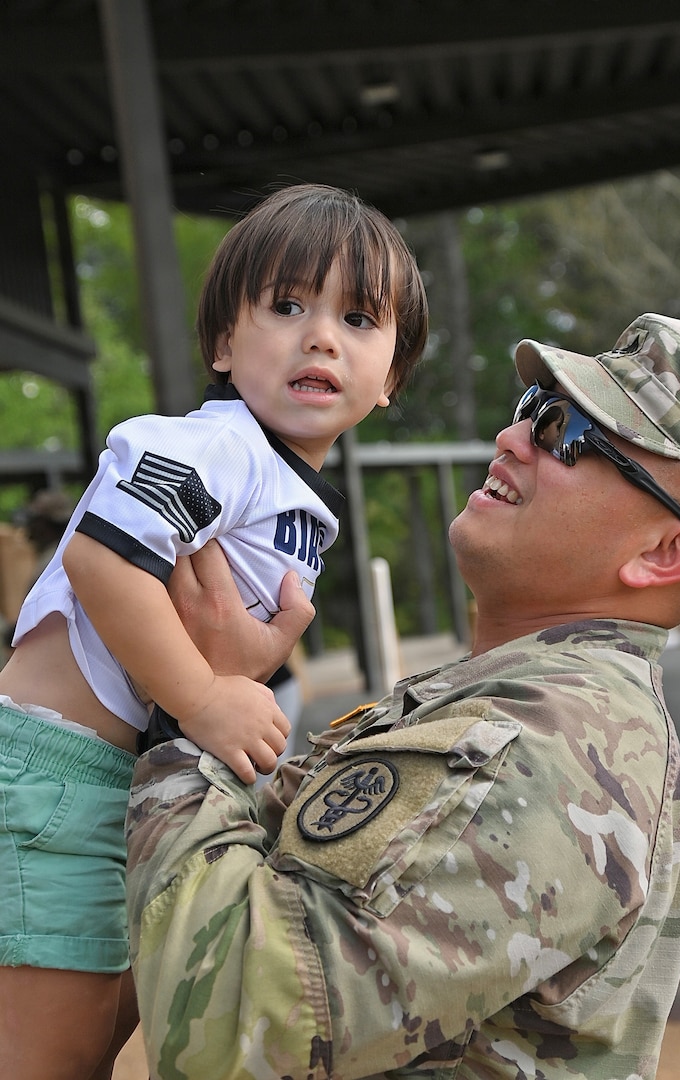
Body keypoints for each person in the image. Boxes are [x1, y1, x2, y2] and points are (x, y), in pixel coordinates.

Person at [125, 312, 680, 1080]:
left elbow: (232, 1020)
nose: (516, 440)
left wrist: (193, 712)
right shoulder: (511, 699)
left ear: (665, 553)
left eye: (569, 431)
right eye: (531, 411)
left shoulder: (548, 742)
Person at [0, 182, 428, 1080]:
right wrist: (206, 698)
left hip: (116, 777)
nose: (320, 336)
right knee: (53, 1053)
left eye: (358, 317)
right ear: (224, 346)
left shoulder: (292, 494)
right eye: (286, 306)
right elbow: (101, 559)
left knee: (116, 1019)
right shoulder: (214, 446)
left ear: (392, 377)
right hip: (55, 768)